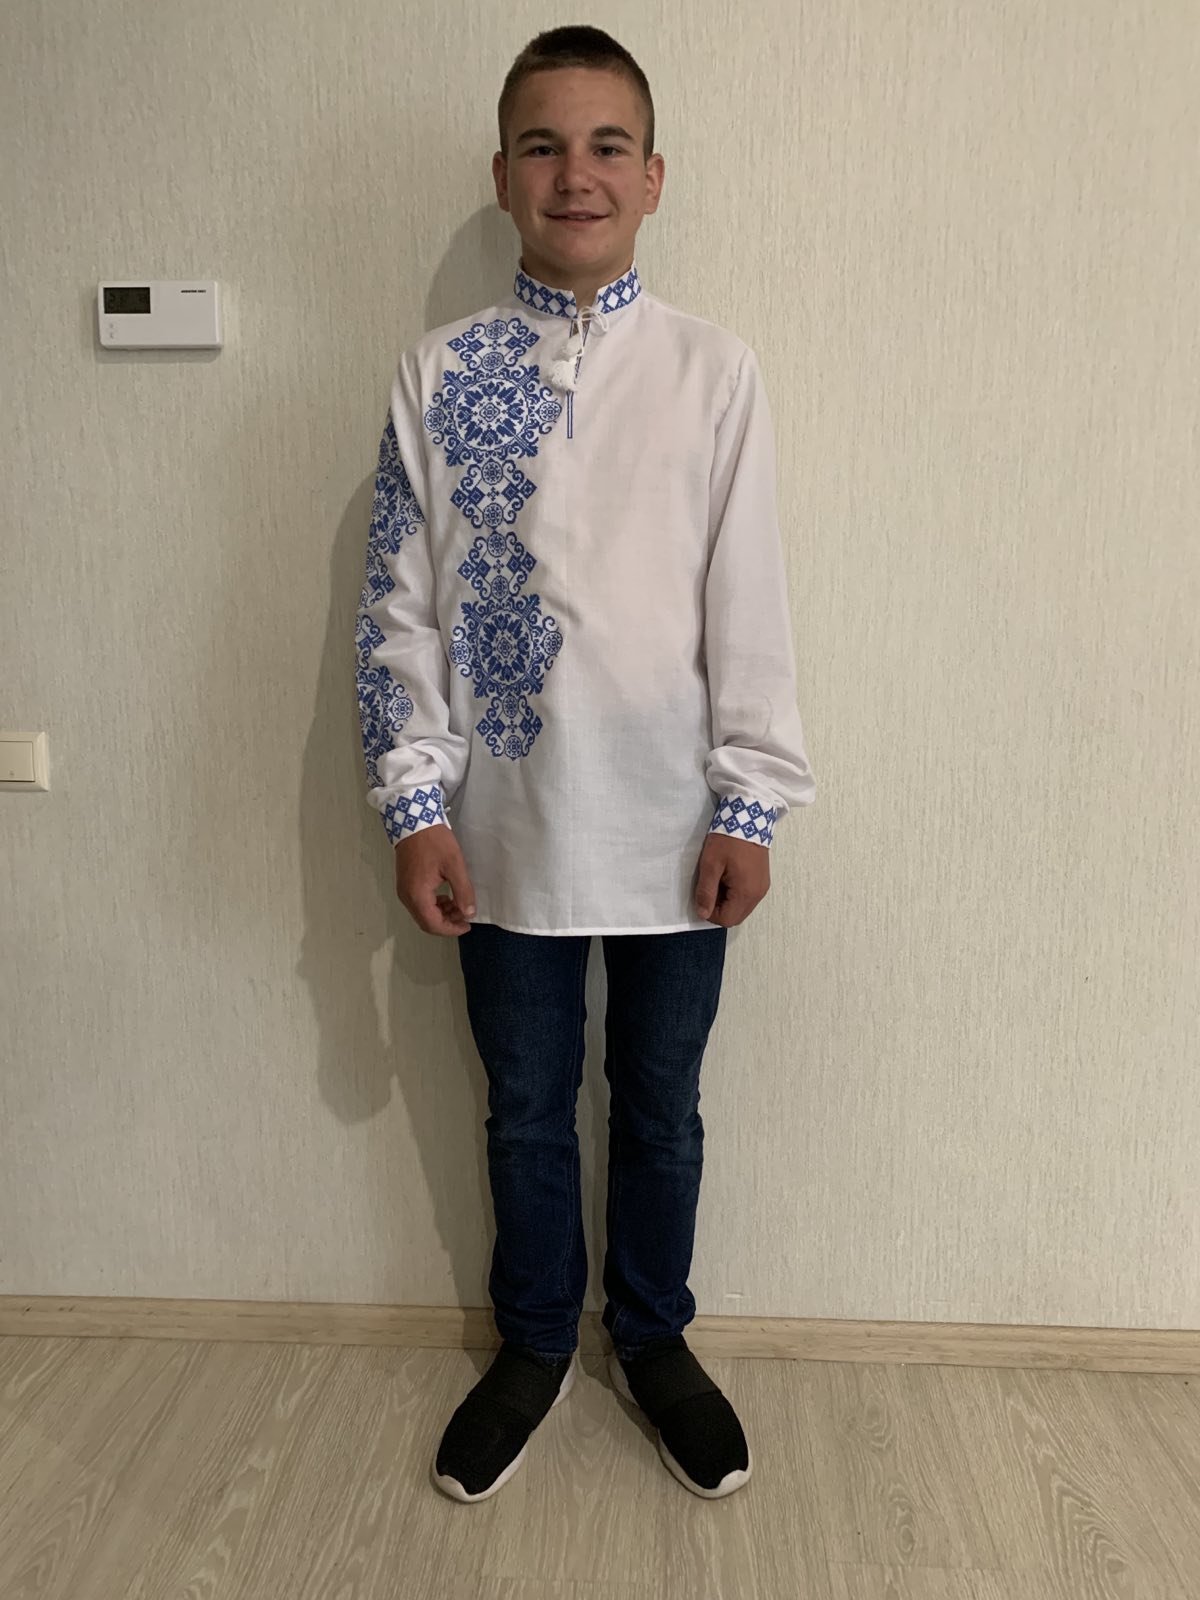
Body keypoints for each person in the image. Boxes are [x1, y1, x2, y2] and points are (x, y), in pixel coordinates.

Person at [354, 25, 816, 1503]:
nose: (576, 174)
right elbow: (401, 604)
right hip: (504, 827)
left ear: (653, 176)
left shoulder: (714, 372)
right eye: (544, 146)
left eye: (608, 145)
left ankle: (655, 1338)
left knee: (660, 1105)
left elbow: (749, 601)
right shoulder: (437, 373)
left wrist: (751, 797)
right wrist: (416, 803)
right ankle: (538, 1339)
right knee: (524, 1106)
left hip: (679, 824)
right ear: (501, 175)